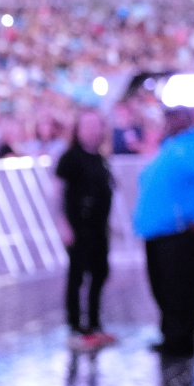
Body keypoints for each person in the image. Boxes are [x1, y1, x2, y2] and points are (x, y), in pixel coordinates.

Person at [132, 106, 194, 359]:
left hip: (182, 232)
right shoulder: (172, 145)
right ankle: (171, 335)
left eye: (174, 115)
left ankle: (181, 341)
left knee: (181, 289)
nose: (169, 120)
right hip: (158, 230)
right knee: (162, 286)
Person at [54, 109, 115, 350]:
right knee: (77, 276)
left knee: (99, 274)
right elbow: (56, 192)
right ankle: (75, 327)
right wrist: (63, 223)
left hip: (98, 228)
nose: (92, 130)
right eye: (87, 126)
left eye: (96, 125)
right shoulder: (69, 158)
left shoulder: (99, 158)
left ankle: (94, 324)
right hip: (78, 227)